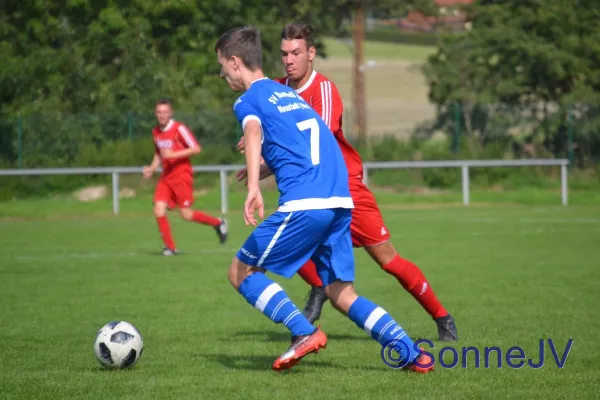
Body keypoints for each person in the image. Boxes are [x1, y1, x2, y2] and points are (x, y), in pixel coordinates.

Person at [216, 25, 433, 373]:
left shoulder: (249, 99)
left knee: (240, 272)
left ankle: (303, 332)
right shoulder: (289, 97)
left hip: (306, 203)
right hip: (339, 201)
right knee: (341, 294)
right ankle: (410, 353)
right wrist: (268, 166)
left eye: (222, 66)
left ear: (236, 61)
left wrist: (255, 184)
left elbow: (253, 129)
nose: (221, 74)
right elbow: (310, 143)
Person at [143, 99, 228, 256]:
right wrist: (151, 168)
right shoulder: (156, 132)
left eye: (165, 112)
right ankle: (170, 247)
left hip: (181, 176)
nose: (162, 115)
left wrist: (173, 155)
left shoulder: (178, 129)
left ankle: (218, 223)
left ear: (170, 113)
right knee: (158, 209)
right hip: (166, 176)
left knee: (186, 214)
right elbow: (159, 154)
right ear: (156, 114)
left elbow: (196, 148)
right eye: (159, 112)